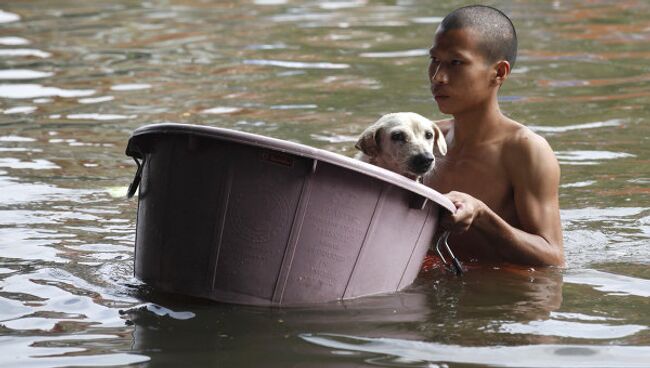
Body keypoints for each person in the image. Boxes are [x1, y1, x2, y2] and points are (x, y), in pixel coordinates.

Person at [424, 5, 565, 267]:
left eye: (456, 63)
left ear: (498, 73)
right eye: (434, 60)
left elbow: (553, 258)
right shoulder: (425, 141)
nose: (438, 77)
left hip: (502, 298)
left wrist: (482, 215)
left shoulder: (525, 150)